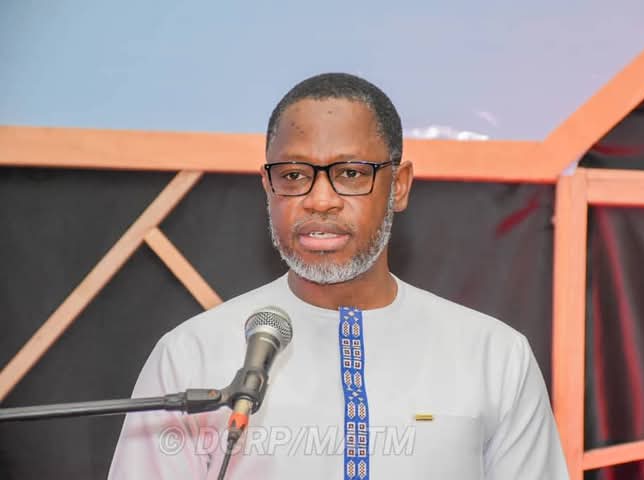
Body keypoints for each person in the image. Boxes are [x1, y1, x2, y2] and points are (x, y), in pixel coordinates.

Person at [109, 72, 569, 479]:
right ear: (268, 186)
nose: (320, 200)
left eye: (350, 173)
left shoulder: (493, 357)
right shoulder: (191, 355)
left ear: (399, 185)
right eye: (293, 175)